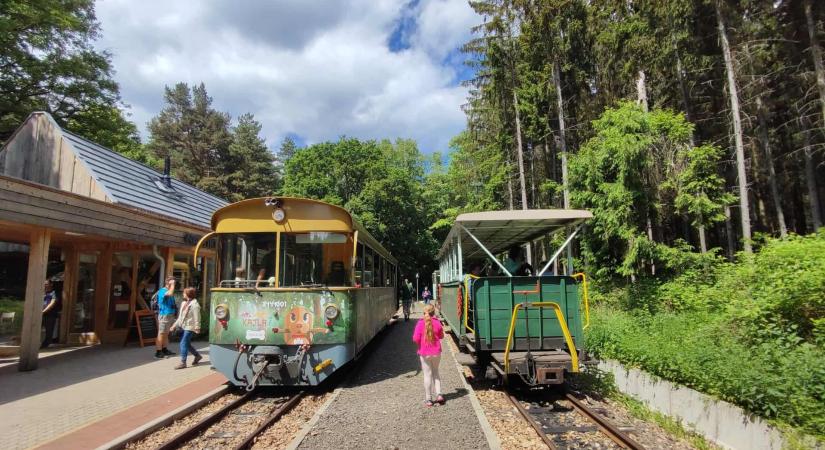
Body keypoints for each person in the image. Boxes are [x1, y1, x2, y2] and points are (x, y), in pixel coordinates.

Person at [413, 304, 445, 407]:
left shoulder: (420, 323)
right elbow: (441, 336)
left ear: (424, 313)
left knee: (427, 375)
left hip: (424, 352)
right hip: (436, 352)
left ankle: (429, 399)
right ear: (433, 312)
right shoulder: (437, 322)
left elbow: (415, 339)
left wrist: (421, 342)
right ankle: (439, 394)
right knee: (436, 372)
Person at [171, 287, 202, 369]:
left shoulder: (195, 305)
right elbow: (180, 317)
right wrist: (174, 325)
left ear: (188, 294)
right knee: (187, 344)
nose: (183, 294)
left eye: (184, 293)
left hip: (190, 327)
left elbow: (197, 317)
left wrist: (197, 327)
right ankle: (197, 355)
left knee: (183, 343)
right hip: (184, 326)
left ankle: (183, 362)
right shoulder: (183, 303)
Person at [155, 277, 177, 359]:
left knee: (166, 333)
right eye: (172, 281)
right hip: (164, 315)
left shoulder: (170, 290)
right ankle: (158, 352)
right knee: (161, 333)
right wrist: (172, 285)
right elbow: (170, 293)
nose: (174, 283)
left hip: (170, 314)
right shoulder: (162, 291)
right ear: (167, 282)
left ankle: (164, 349)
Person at [41, 280, 61, 349]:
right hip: (41, 314)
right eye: (44, 284)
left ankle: (44, 346)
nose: (45, 285)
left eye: (46, 284)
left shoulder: (54, 293)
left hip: (50, 314)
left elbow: (52, 304)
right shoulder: (43, 292)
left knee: (49, 331)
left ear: (51, 284)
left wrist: (43, 312)